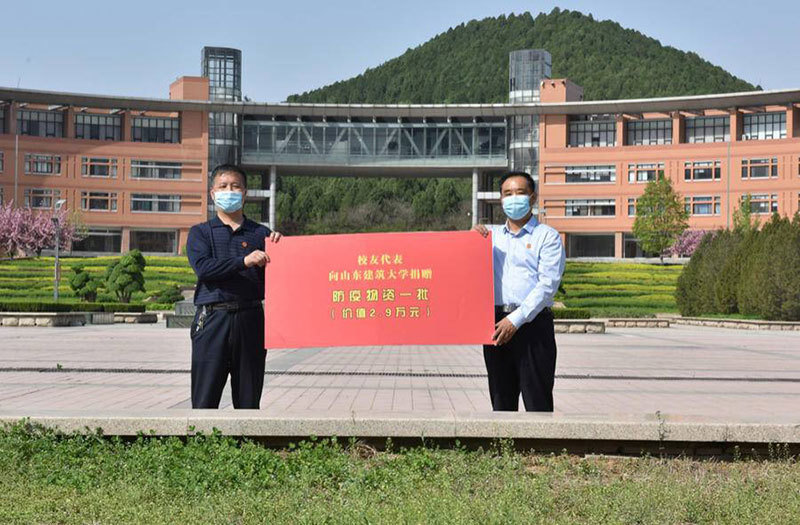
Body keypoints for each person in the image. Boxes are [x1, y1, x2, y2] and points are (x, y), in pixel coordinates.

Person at [185, 164, 282, 409]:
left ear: (245, 193)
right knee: (204, 399)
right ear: (212, 193)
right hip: (212, 319)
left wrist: (282, 248)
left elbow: (281, 279)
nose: (229, 191)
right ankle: (201, 445)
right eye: (223, 186)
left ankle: (247, 446)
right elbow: (204, 269)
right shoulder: (200, 233)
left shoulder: (261, 234)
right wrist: (244, 261)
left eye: (235, 186)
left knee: (249, 398)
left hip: (251, 319)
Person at [472, 171, 565, 411]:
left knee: (537, 400)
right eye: (507, 194)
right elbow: (467, 272)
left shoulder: (548, 237)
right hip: (495, 326)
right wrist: (470, 242)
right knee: (501, 398)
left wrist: (515, 320)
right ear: (501, 199)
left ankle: (542, 449)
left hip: (533, 326)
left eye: (520, 193)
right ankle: (504, 448)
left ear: (532, 198)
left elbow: (547, 286)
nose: (514, 198)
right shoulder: (488, 238)